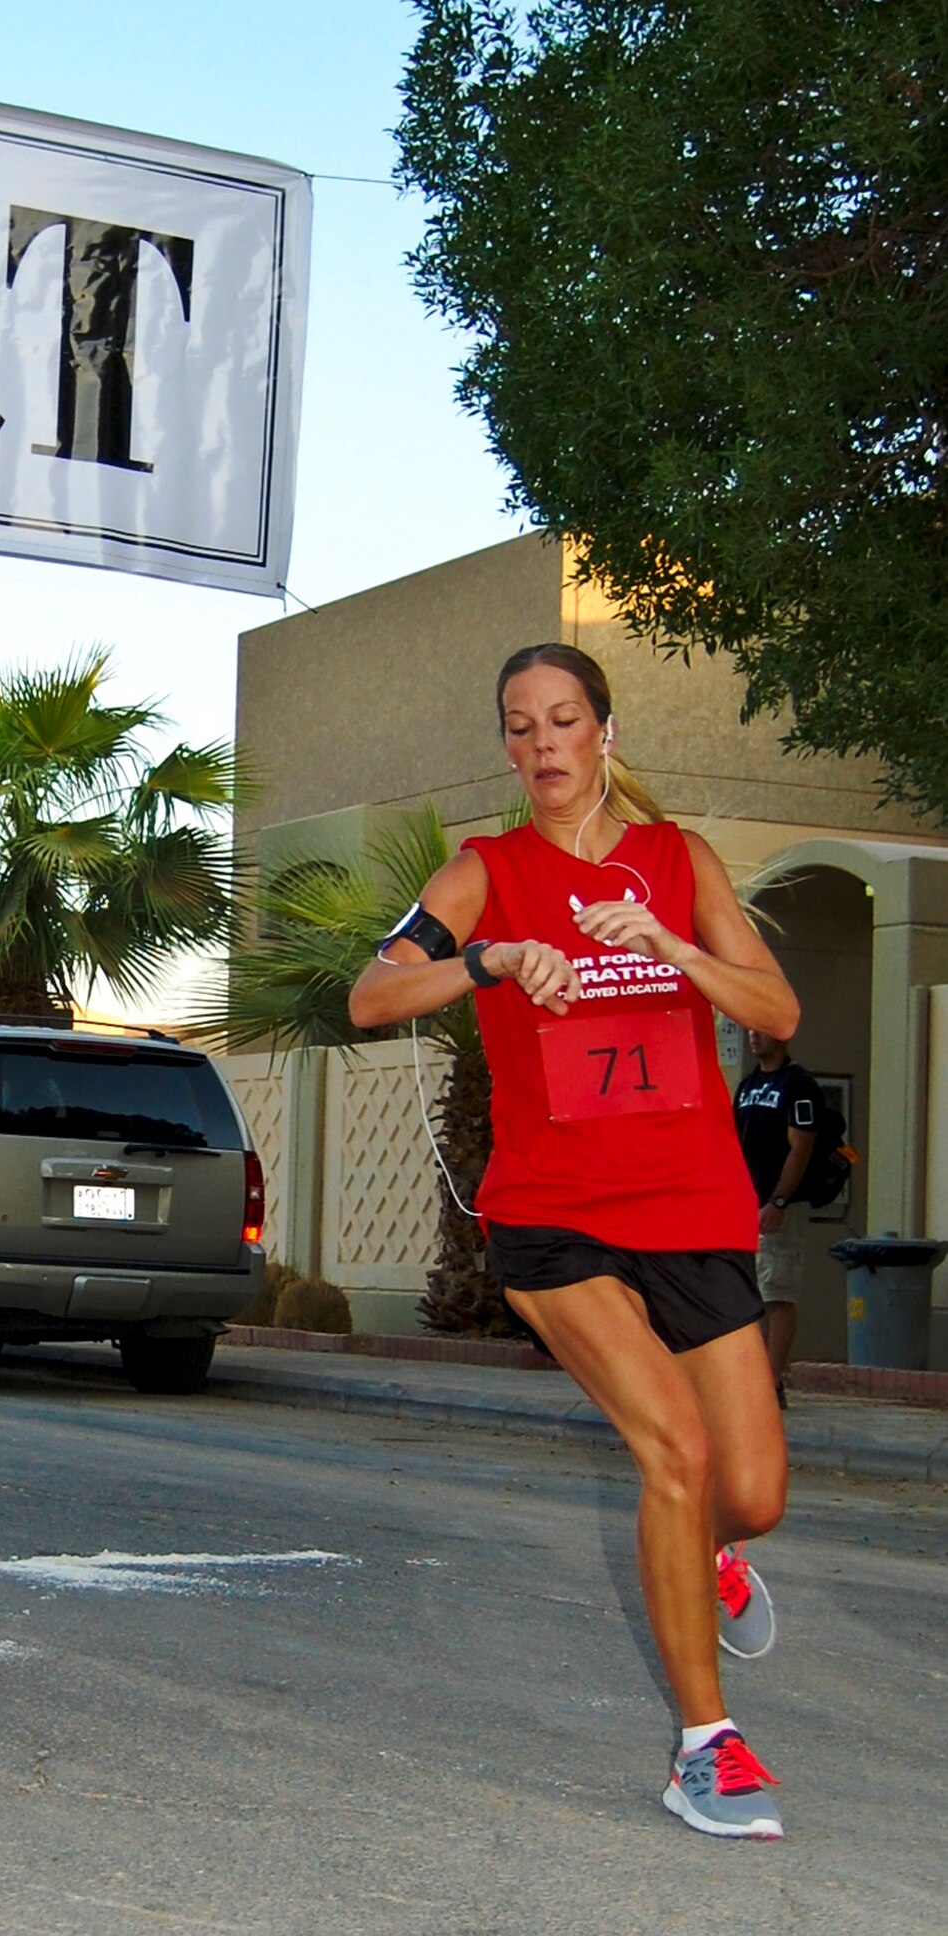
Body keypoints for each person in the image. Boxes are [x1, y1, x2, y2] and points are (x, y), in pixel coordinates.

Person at [349, 643, 798, 1841]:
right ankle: (704, 1747)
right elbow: (370, 995)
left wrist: (674, 949)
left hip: (692, 1204)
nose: (541, 743)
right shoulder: (482, 872)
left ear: (603, 729)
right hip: (554, 1214)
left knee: (749, 1490)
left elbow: (777, 1011)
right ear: (507, 744)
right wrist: (484, 958)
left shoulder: (677, 861)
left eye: (561, 719)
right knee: (675, 1449)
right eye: (518, 725)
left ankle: (708, 1555)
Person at [734, 1029, 818, 1403]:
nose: (753, 1036)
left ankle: (771, 1382)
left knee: (777, 1292)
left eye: (761, 1029)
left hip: (779, 1206)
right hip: (743, 1204)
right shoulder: (748, 1085)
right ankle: (747, 1379)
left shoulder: (797, 1085)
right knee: (744, 1292)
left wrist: (779, 1201)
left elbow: (800, 1147)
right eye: (749, 1029)